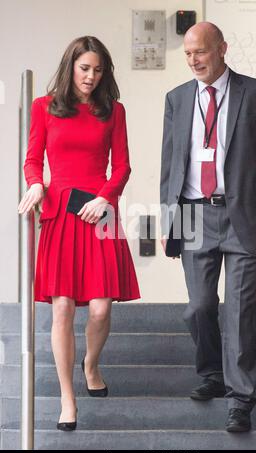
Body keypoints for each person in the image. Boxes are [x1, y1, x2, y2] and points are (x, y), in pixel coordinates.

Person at [160, 22, 256, 432]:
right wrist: (169, 217)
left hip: (244, 217)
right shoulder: (177, 99)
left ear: (221, 49)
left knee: (238, 308)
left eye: (200, 51)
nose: (193, 60)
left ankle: (241, 399)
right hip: (194, 214)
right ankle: (212, 374)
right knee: (199, 306)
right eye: (187, 54)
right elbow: (170, 165)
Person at [18, 36, 140, 431]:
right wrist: (36, 183)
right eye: (85, 68)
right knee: (62, 308)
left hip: (100, 211)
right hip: (59, 211)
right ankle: (68, 399)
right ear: (71, 66)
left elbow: (121, 167)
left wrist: (105, 199)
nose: (91, 76)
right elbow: (33, 158)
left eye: (98, 69)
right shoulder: (44, 107)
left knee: (102, 307)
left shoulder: (113, 111)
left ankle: (90, 363)